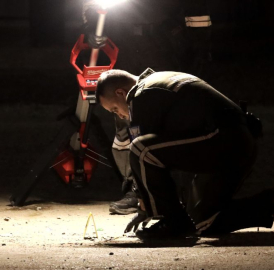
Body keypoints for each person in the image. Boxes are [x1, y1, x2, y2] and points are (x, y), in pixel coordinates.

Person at [95, 68, 274, 239]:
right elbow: (171, 152)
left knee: (141, 149)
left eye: (115, 110)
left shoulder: (141, 95)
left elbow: (145, 155)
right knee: (202, 222)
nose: (121, 116)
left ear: (121, 93)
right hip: (236, 142)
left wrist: (148, 204)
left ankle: (173, 224)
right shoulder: (159, 80)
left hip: (222, 140)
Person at [81, 0, 214, 215]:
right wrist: (91, 26)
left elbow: (197, 8)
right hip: (125, 43)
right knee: (124, 120)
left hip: (166, 43)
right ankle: (136, 189)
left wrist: (199, 48)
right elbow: (90, 6)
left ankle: (173, 191)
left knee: (165, 119)